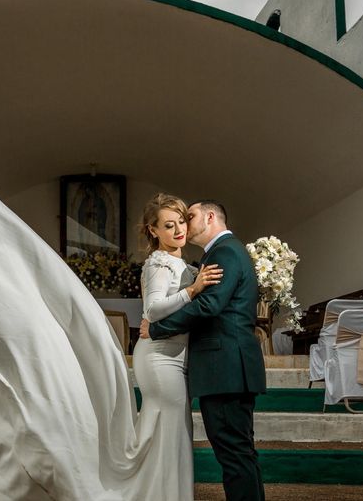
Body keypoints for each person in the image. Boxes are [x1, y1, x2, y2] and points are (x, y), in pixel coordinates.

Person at [140, 200, 266, 501]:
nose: (184, 223)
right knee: (238, 453)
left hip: (225, 367)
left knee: (235, 454)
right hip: (225, 366)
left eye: (189, 217)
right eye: (172, 223)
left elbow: (209, 305)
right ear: (154, 231)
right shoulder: (223, 252)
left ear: (209, 218)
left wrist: (155, 328)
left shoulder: (224, 252)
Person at [131, 193, 223, 500]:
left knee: (172, 433)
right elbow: (154, 310)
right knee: (172, 433)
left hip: (174, 354)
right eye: (168, 225)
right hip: (159, 357)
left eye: (181, 221)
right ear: (153, 231)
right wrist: (194, 289)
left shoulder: (180, 262)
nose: (178, 230)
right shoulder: (158, 263)